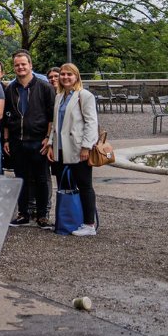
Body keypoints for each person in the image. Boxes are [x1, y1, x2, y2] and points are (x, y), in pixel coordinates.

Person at [3, 50, 56, 228]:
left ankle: (42, 215)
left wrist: (48, 138)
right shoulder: (10, 89)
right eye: (17, 65)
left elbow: (51, 116)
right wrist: (7, 140)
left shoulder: (44, 87)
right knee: (21, 178)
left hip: (38, 140)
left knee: (41, 179)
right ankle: (23, 214)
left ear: (30, 65)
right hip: (18, 141)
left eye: (23, 64)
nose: (20, 67)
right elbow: (6, 117)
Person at [49, 63, 99, 236]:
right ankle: (70, 219)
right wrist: (50, 144)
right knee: (66, 185)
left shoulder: (84, 96)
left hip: (78, 148)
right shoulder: (60, 96)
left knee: (84, 185)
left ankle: (89, 224)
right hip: (61, 148)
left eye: (69, 74)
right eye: (62, 74)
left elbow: (91, 122)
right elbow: (56, 123)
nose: (65, 77)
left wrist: (86, 146)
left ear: (76, 77)